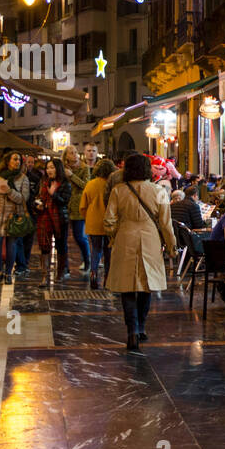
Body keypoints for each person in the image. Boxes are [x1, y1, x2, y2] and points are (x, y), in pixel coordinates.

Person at [106, 153, 176, 352]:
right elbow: (166, 223)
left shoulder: (118, 191)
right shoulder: (159, 191)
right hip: (150, 239)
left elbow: (109, 220)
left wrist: (114, 236)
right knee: (146, 286)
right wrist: (171, 246)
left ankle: (132, 330)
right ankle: (142, 326)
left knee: (127, 287)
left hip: (125, 239)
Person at [0, 152, 29, 286]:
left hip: (13, 217)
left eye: (19, 159)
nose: (17, 162)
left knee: (12, 245)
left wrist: (9, 191)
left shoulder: (22, 178)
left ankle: (8, 273)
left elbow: (23, 199)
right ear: (8, 161)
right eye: (15, 159)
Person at [34, 157, 72, 285]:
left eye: (52, 167)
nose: (49, 170)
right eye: (47, 168)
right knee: (44, 246)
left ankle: (60, 273)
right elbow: (38, 197)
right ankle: (44, 276)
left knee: (61, 246)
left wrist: (53, 194)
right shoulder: (44, 182)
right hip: (44, 217)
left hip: (60, 218)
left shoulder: (65, 183)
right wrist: (37, 204)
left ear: (58, 169)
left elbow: (65, 201)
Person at [80, 158, 116, 289]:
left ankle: (93, 274)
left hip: (93, 223)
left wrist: (88, 217)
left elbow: (83, 206)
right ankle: (108, 277)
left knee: (95, 250)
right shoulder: (113, 185)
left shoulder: (90, 184)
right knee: (108, 251)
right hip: (110, 223)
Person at [63, 145, 92, 276]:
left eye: (75, 152)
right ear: (66, 156)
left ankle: (88, 261)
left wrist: (72, 176)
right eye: (71, 153)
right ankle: (64, 267)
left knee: (80, 236)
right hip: (65, 205)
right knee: (72, 236)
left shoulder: (83, 168)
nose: (74, 155)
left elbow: (86, 185)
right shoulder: (63, 168)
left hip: (78, 206)